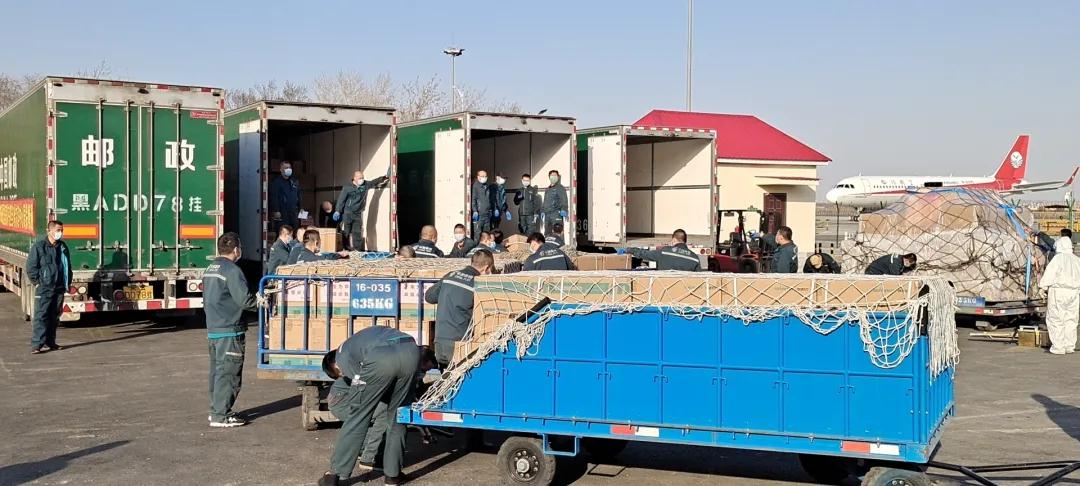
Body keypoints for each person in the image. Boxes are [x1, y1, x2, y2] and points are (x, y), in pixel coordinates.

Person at [316, 327, 437, 486]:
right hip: (411, 351)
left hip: (382, 357)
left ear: (335, 365)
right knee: (397, 417)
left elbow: (361, 387)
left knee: (358, 417)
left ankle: (333, 475)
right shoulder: (359, 342)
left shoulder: (342, 355)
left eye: (341, 374)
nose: (345, 376)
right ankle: (393, 476)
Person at [202, 232, 256, 427]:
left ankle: (216, 409)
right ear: (236, 250)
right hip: (230, 329)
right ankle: (221, 415)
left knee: (217, 373)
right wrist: (263, 303)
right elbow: (244, 300)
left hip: (214, 328)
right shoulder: (232, 271)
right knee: (229, 374)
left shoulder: (211, 268)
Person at [426, 250, 495, 368]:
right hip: (459, 345)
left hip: (439, 342)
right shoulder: (478, 285)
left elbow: (429, 297)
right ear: (486, 268)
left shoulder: (450, 276)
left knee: (445, 377)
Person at [27, 220, 71, 354]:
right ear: (49, 231)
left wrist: (67, 282)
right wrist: (38, 282)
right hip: (44, 287)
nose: (60, 233)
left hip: (59, 287)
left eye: (61, 230)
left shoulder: (62, 247)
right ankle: (37, 344)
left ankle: (51, 342)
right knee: (41, 316)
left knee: (54, 316)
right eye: (58, 230)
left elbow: (67, 266)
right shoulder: (39, 247)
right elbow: (31, 267)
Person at [1040, 237, 1080, 355]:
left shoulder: (1058, 259)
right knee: (1071, 319)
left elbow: (1050, 274)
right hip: (1074, 293)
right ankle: (1069, 345)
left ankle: (1058, 347)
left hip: (1059, 291)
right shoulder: (1077, 260)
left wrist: (1043, 287)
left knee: (1056, 318)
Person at [333, 170, 389, 252]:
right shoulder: (347, 187)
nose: (361, 180)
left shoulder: (365, 184)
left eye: (362, 178)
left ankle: (358, 250)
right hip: (348, 213)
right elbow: (341, 199)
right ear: (354, 178)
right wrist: (338, 210)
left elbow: (373, 182)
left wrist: (383, 177)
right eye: (360, 178)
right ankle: (345, 249)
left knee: (357, 232)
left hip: (358, 213)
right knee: (346, 232)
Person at [623, 229, 701, 271]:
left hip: (665, 291)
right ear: (685, 241)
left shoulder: (665, 252)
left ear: (674, 240)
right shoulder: (695, 258)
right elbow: (700, 278)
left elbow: (645, 254)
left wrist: (629, 250)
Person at [269, 161, 301, 234]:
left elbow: (299, 195)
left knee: (294, 231)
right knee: (283, 232)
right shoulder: (276, 182)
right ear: (281, 169)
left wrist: (301, 207)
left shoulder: (294, 181)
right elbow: (274, 197)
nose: (288, 169)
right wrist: (276, 210)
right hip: (282, 212)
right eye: (286, 168)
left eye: (289, 167)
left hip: (293, 212)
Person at [541, 170, 568, 235]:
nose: (553, 177)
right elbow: (545, 201)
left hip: (556, 214)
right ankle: (547, 242)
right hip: (547, 215)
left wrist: (564, 209)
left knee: (557, 233)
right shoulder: (548, 189)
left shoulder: (560, 188)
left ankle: (559, 242)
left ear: (558, 177)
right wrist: (542, 211)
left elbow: (564, 200)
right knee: (547, 234)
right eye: (552, 175)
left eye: (555, 175)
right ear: (549, 177)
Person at [471, 170, 493, 238]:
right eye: (482, 176)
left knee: (486, 234)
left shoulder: (487, 186)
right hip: (479, 215)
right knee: (478, 234)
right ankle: (477, 245)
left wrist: (491, 209)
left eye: (485, 176)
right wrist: (475, 210)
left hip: (487, 214)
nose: (484, 177)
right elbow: (473, 199)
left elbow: (489, 199)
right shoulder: (475, 186)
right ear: (478, 177)